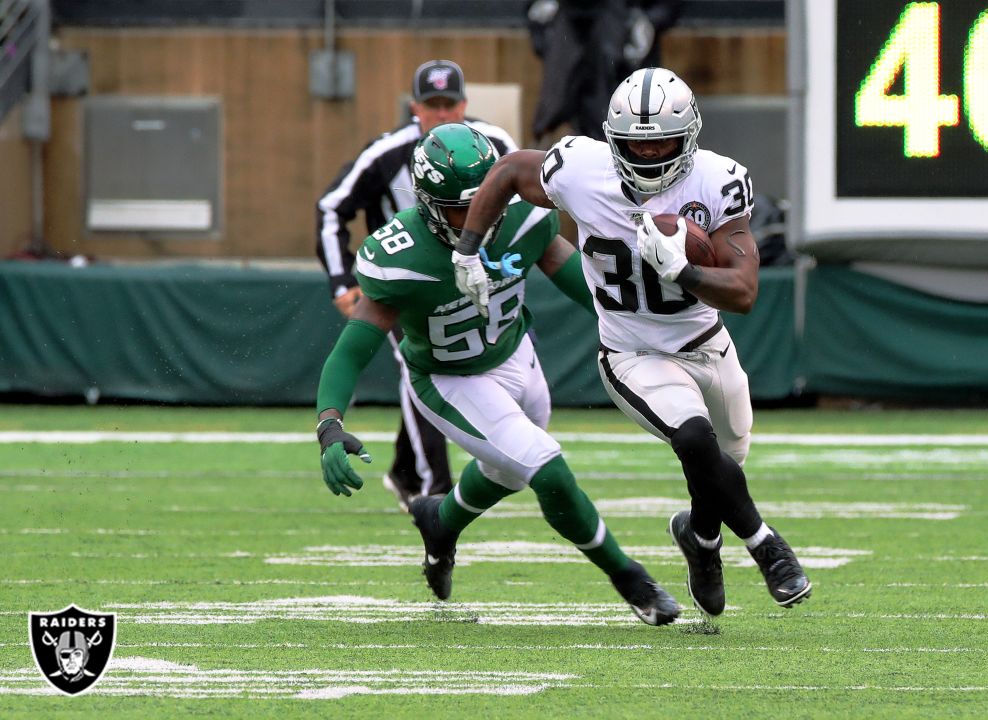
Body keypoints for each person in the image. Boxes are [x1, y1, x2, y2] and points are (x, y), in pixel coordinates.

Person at [451, 67, 811, 615]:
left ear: (689, 136)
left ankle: (701, 538)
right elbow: (506, 172)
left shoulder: (717, 180)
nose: (649, 157)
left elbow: (743, 292)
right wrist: (467, 250)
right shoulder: (579, 168)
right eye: (634, 145)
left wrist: (684, 272)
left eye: (662, 142)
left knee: (721, 463)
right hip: (632, 351)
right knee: (695, 440)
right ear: (610, 140)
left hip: (707, 341)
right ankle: (768, 549)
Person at [314, 123, 681, 626]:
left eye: (486, 197)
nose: (479, 217)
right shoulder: (400, 256)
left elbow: (580, 282)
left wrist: (644, 327)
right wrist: (329, 423)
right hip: (449, 380)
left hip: (516, 355)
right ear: (427, 204)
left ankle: (439, 523)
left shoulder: (524, 216)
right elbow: (351, 351)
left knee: (507, 469)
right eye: (461, 207)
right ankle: (631, 579)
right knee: (545, 467)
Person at [315, 59, 518, 511]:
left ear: (465, 105)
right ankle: (433, 487)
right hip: (408, 282)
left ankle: (406, 468)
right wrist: (341, 282)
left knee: (481, 368)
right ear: (415, 108)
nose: (442, 114)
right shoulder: (387, 153)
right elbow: (331, 208)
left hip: (481, 278)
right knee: (420, 369)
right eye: (433, 105)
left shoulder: (495, 146)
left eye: (450, 104)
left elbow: (523, 202)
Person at [526, 0, 683, 145]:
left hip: (620, 25)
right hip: (566, 19)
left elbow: (668, 5)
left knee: (613, 103)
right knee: (557, 100)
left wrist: (650, 21)